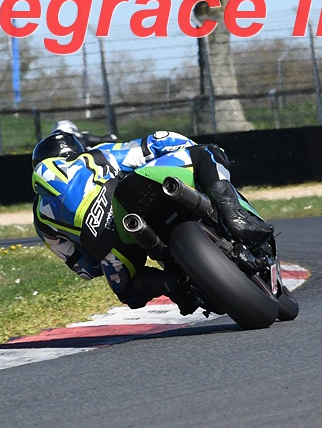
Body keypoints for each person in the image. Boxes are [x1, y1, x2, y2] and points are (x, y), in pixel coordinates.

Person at [31, 128, 273, 312]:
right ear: (75, 150)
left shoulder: (41, 219)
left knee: (128, 292)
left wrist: (102, 251)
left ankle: (173, 285)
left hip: (107, 243)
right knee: (205, 153)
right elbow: (155, 143)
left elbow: (85, 269)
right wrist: (188, 149)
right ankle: (233, 215)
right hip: (132, 195)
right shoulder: (95, 155)